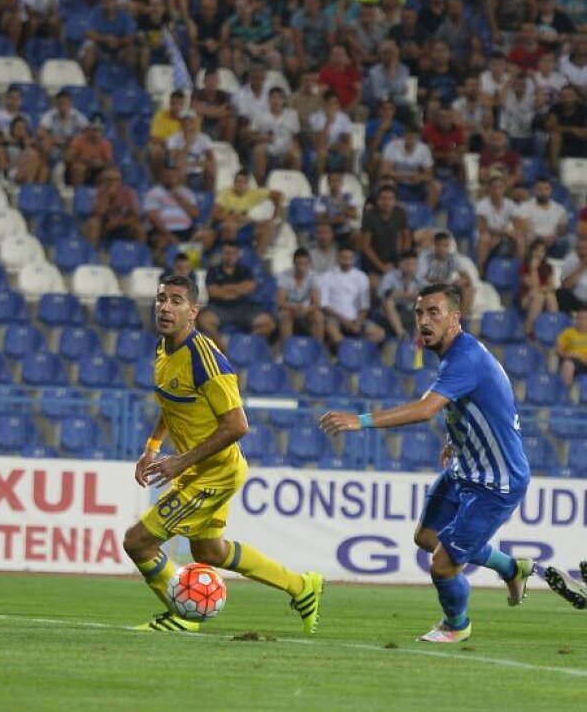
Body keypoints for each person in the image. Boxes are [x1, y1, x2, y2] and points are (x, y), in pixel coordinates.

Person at [319, 284, 534, 643]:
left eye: (434, 312)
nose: (424, 321)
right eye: (419, 313)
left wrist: (362, 420)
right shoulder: (456, 357)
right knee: (427, 537)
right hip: (465, 469)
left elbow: (425, 409)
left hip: (497, 483)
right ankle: (512, 568)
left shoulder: (464, 358)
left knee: (443, 564)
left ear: (455, 317)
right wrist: (456, 438)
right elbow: (483, 402)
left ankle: (457, 624)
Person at [126, 273, 324, 634]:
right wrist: (152, 448)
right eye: (161, 298)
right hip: (200, 469)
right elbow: (172, 405)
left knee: (138, 542)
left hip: (212, 472)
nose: (165, 307)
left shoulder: (207, 360)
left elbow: (237, 426)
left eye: (176, 300)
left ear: (193, 312)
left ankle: (184, 614)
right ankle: (301, 586)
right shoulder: (163, 349)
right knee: (210, 554)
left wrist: (180, 461)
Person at [554, 308, 587, 390]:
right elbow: (558, 350)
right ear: (576, 319)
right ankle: (565, 395)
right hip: (575, 361)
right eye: (580, 318)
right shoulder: (568, 333)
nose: (582, 321)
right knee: (568, 365)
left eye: (585, 318)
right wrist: (569, 355)